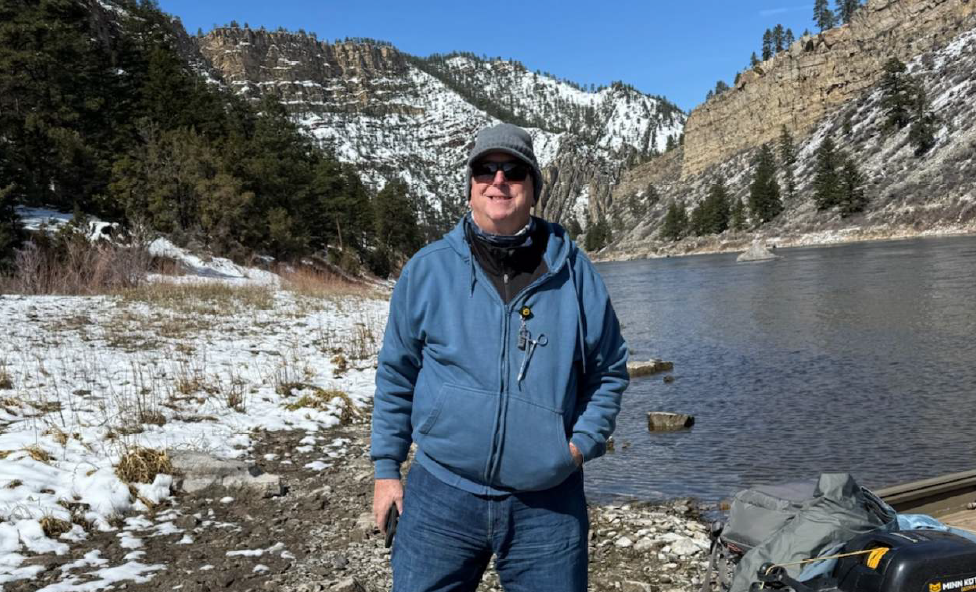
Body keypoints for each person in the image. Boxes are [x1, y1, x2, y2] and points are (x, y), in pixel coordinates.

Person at [371, 122, 629, 592]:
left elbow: (609, 370)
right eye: (485, 170)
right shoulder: (427, 270)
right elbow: (397, 374)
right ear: (470, 186)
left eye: (513, 171)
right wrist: (386, 470)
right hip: (440, 493)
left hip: (548, 503)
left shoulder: (575, 273)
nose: (498, 181)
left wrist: (576, 448)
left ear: (533, 189)